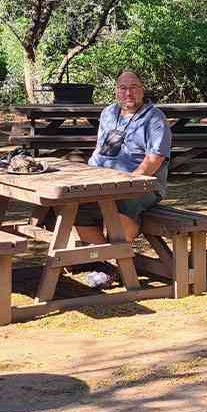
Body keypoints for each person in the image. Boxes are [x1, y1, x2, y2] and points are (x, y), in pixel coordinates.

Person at [69, 71, 171, 288]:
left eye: (133, 87)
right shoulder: (108, 113)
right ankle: (109, 263)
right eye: (123, 88)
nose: (128, 92)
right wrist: (88, 175)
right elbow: (100, 151)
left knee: (121, 206)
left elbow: (154, 160)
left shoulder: (155, 118)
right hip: (103, 181)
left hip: (144, 184)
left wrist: (128, 184)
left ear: (142, 90)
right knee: (75, 207)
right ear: (116, 91)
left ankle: (113, 263)